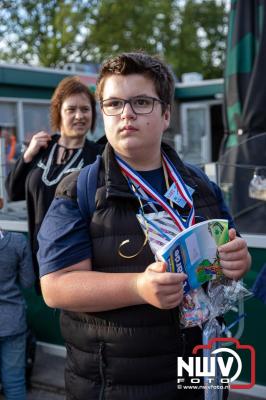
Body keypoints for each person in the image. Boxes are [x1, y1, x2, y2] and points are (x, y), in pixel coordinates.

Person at [37, 52, 251, 400]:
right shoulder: (79, 190)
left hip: (202, 368)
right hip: (119, 382)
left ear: (166, 114)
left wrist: (238, 263)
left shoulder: (200, 184)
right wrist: (138, 286)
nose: (127, 113)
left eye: (141, 102)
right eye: (114, 103)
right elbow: (56, 287)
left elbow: (231, 248)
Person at [5, 76, 101, 281]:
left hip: (77, 255)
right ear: (58, 112)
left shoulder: (98, 155)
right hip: (40, 251)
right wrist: (27, 156)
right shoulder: (41, 148)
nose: (79, 116)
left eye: (85, 109)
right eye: (71, 109)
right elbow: (13, 192)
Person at [0, 198, 35, 400]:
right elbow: (28, 281)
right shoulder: (16, 242)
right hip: (13, 321)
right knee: (14, 382)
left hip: (13, 324)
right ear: (1, 203)